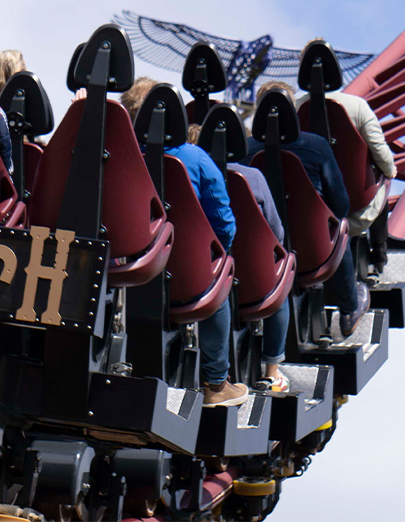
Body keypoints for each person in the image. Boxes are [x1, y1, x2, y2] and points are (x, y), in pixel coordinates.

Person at [120, 79, 247, 408]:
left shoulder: (121, 153)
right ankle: (216, 384)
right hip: (186, 278)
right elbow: (225, 227)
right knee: (222, 278)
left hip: (125, 271)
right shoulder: (197, 158)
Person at [246, 81, 370, 339]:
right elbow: (341, 205)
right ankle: (349, 308)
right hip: (314, 251)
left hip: (265, 253)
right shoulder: (316, 146)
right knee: (341, 227)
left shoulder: (246, 150)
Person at [189, 123, 290, 392]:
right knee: (285, 271)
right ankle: (272, 371)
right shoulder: (253, 177)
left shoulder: (188, 177)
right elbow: (276, 232)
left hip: (199, 274)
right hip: (253, 281)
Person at [296, 72, 397, 266]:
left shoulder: (295, 108)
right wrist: (390, 169)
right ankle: (379, 251)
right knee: (386, 175)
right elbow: (381, 154)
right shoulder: (357, 106)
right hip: (355, 211)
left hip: (306, 210)